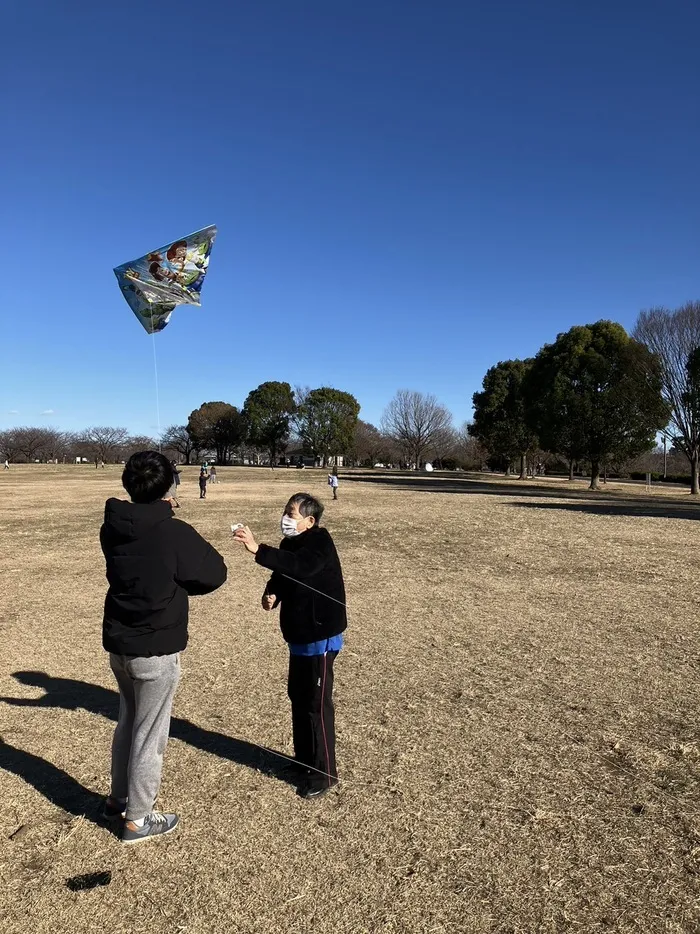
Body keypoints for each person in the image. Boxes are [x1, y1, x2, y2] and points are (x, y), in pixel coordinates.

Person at [100, 451, 227, 843]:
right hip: (154, 649)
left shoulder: (114, 525)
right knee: (149, 734)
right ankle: (138, 818)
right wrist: (165, 516)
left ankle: (118, 798)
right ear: (169, 485)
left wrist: (157, 510)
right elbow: (214, 573)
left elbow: (142, 531)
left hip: (120, 646)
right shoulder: (173, 531)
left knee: (128, 721)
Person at [234, 493, 346, 799]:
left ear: (310, 521)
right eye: (285, 511)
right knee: (298, 696)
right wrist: (273, 593)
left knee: (316, 703)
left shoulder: (320, 542)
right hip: (297, 634)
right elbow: (284, 573)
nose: (286, 518)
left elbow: (302, 567)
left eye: (292, 514)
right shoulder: (290, 544)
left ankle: (324, 773)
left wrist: (257, 549)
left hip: (321, 634)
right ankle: (304, 762)